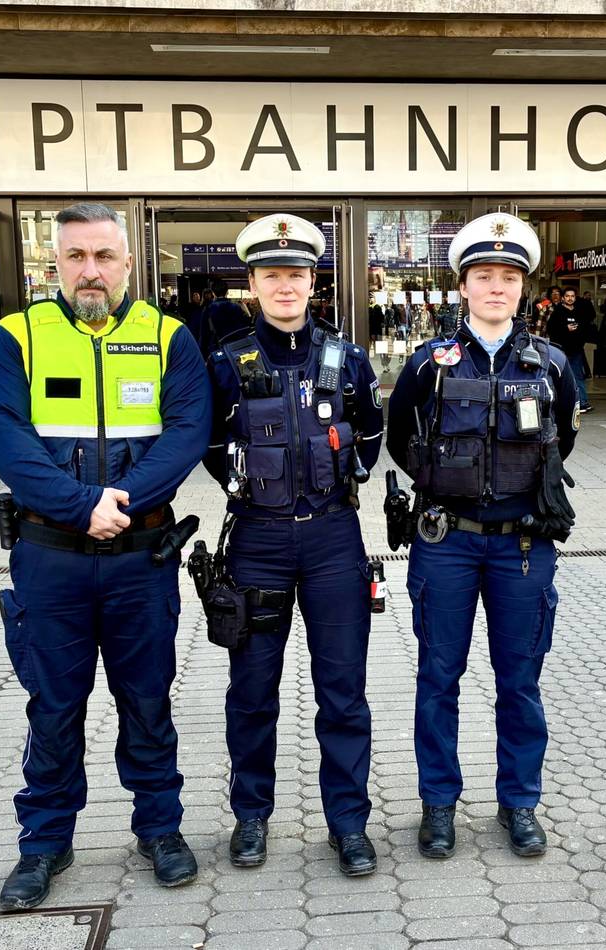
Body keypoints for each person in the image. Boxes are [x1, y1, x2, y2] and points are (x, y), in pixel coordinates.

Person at [0, 203, 212, 910]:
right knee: (53, 706)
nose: (90, 271)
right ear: (56, 264)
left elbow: (186, 432)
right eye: (76, 257)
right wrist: (82, 507)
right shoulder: (16, 338)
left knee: (146, 701)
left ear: (129, 263)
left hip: (141, 555)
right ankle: (44, 844)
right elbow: (3, 438)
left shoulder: (169, 337)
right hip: (52, 558)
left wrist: (123, 501)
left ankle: (160, 829)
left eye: (104, 257)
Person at [386, 213, 579, 860]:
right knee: (438, 677)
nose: (496, 287)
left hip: (524, 545)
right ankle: (439, 805)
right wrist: (451, 486)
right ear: (462, 286)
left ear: (523, 288)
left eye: (508, 277)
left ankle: (519, 804)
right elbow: (399, 441)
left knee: (520, 681)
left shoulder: (550, 364)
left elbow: (565, 441)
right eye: (483, 276)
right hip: (447, 542)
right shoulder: (428, 365)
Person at [204, 213, 384, 876]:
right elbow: (208, 443)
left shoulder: (346, 358)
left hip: (335, 538)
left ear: (314, 281)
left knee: (343, 690)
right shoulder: (226, 363)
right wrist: (243, 483)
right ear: (252, 282)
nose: (286, 285)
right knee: (252, 689)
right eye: (272, 274)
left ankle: (348, 823)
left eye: (297, 274)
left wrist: (344, 478)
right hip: (258, 541)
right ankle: (251, 816)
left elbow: (369, 431)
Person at [548, 287, 595, 413]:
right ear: (563, 298)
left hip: (576, 350)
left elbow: (586, 328)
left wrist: (580, 337)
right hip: (561, 351)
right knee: (561, 377)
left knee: (578, 376)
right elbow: (551, 330)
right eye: (567, 296)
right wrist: (565, 328)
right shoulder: (558, 312)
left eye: (572, 296)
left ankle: (582, 402)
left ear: (575, 297)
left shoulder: (579, 312)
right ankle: (561, 403)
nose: (570, 298)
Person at [199, 276, 251, 358]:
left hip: (216, 349)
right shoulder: (236, 307)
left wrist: (203, 353)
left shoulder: (208, 309)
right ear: (227, 292)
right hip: (236, 348)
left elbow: (204, 334)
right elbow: (246, 326)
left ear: (213, 293)